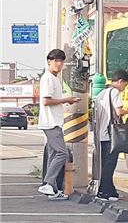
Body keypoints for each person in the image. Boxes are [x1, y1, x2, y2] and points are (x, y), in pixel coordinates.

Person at [37, 49, 80, 200]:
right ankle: (48, 183)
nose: (59, 64)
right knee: (62, 153)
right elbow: (46, 101)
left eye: (61, 61)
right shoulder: (48, 78)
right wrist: (66, 100)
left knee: (54, 154)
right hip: (51, 123)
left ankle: (52, 189)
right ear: (49, 61)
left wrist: (65, 101)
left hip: (53, 122)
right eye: (56, 60)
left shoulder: (54, 78)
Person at [94, 69, 128, 201]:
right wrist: (127, 110)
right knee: (110, 164)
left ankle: (111, 191)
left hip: (101, 132)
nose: (124, 89)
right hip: (111, 134)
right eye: (125, 85)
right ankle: (103, 192)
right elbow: (118, 111)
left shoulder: (102, 93)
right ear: (120, 81)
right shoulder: (115, 92)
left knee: (105, 163)